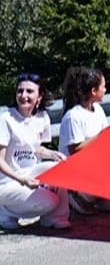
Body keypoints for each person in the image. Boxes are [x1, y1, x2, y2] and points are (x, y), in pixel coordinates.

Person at [0, 72, 71, 230]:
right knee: (50, 201)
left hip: (29, 173)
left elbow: (36, 148)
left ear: (39, 97)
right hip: (7, 181)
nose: (23, 95)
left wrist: (52, 154)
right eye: (20, 91)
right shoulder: (6, 119)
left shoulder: (42, 117)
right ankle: (5, 210)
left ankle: (55, 218)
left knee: (60, 167)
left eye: (29, 91)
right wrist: (21, 180)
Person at [58, 66, 110, 214]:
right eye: (103, 86)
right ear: (94, 91)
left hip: (96, 165)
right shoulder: (73, 116)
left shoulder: (98, 110)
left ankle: (95, 200)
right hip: (78, 171)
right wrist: (100, 136)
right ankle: (75, 196)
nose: (105, 90)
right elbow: (74, 151)